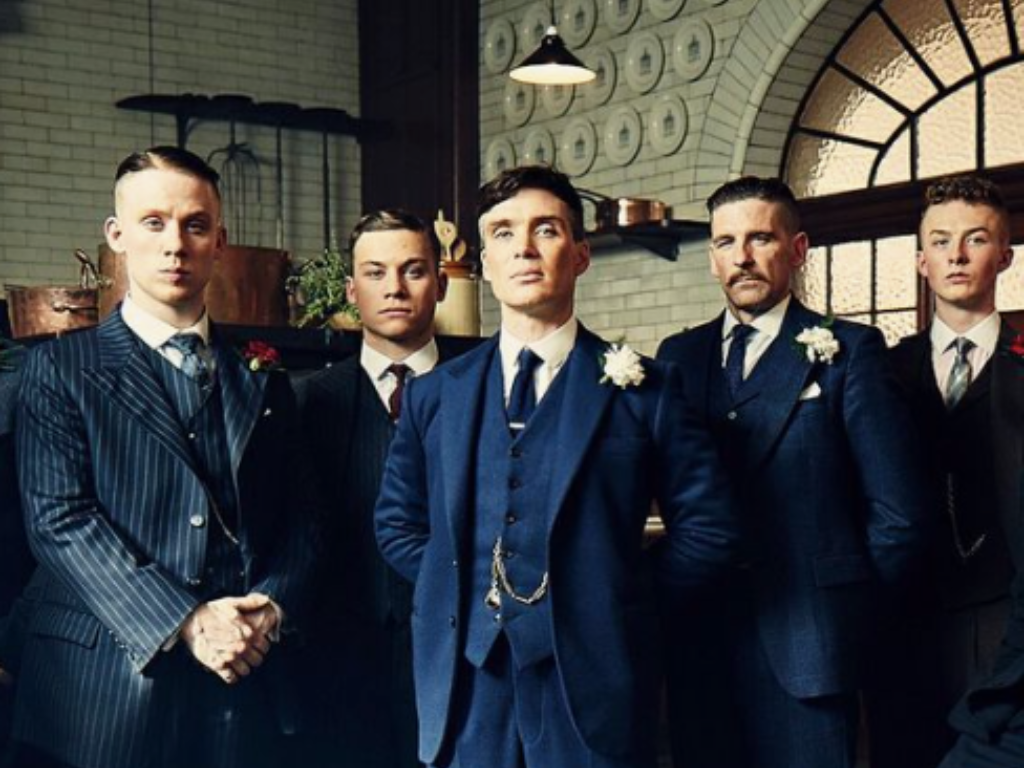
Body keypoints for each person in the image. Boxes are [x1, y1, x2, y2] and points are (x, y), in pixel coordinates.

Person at [374, 165, 737, 768]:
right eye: (503, 233)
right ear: (485, 261)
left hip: (594, 685)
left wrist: (613, 596)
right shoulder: (435, 394)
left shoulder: (647, 390)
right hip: (467, 686)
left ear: (581, 254)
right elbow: (396, 524)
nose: (523, 247)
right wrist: (456, 584)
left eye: (546, 230)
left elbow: (709, 530)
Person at [12, 146, 315, 768]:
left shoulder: (262, 375)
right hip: (99, 690)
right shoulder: (59, 369)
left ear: (219, 242)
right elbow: (60, 523)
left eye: (195, 225)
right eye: (153, 223)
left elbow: (304, 517)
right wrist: (188, 621)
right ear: (116, 235)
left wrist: (269, 609)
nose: (175, 244)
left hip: (241, 688)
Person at [656, 176, 929, 768]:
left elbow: (900, 516)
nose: (742, 257)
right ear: (712, 258)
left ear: (798, 249)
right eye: (726, 242)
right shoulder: (678, 357)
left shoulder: (849, 349)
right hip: (700, 642)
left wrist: (847, 612)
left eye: (760, 238)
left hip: (812, 647)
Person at [865, 175, 1018, 768]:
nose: (956, 255)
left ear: (1004, 255)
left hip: (1008, 623)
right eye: (940, 241)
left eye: (975, 239)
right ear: (921, 261)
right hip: (905, 621)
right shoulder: (879, 372)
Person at [298, 209, 447, 768]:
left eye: (413, 270)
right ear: (351, 290)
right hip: (342, 665)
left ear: (441, 283)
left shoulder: (482, 388)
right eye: (375, 272)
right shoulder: (308, 400)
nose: (394, 288)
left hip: (458, 655)